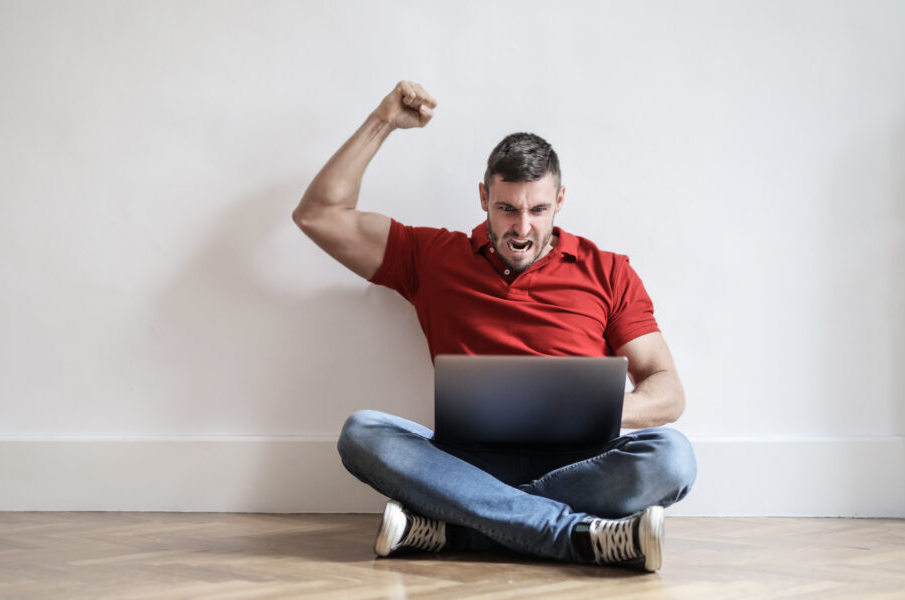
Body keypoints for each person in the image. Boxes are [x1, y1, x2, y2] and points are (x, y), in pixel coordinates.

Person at [292, 81, 696, 572]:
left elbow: (667, 391)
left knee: (672, 458)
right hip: (465, 464)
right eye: (506, 208)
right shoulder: (431, 257)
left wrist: (596, 411)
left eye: (537, 209)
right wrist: (383, 121)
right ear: (484, 197)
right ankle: (575, 535)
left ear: (560, 201)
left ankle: (463, 526)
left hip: (579, 463)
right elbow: (319, 215)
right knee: (362, 433)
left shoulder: (607, 270)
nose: (521, 228)